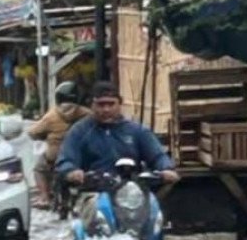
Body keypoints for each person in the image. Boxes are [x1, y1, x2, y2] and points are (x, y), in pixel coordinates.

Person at [55, 81, 180, 229]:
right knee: (97, 209)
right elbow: (65, 160)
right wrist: (72, 172)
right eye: (101, 105)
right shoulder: (80, 131)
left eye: (111, 104)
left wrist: (166, 169)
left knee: (154, 214)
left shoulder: (136, 130)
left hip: (133, 192)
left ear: (120, 104)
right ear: (91, 105)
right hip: (95, 191)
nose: (106, 109)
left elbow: (158, 155)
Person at [28, 81, 90, 209]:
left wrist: (45, 136)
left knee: (39, 169)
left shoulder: (52, 115)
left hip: (55, 157)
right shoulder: (87, 114)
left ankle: (44, 197)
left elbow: (33, 132)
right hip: (81, 157)